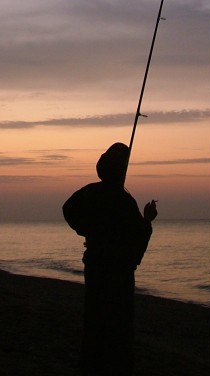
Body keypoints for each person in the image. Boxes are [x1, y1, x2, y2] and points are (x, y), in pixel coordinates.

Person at [63, 142, 158, 375]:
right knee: (119, 325)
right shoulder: (123, 201)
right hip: (118, 272)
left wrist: (87, 230)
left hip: (95, 265)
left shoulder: (91, 192)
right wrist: (147, 220)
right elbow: (137, 238)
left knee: (94, 319)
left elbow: (68, 209)